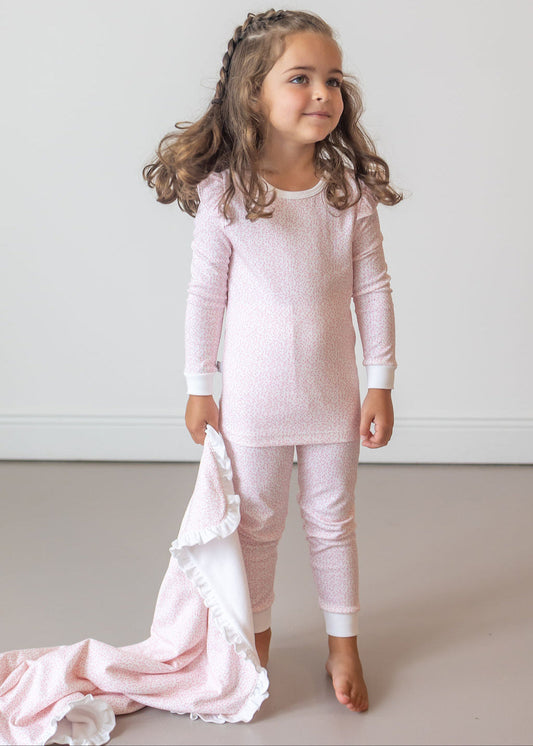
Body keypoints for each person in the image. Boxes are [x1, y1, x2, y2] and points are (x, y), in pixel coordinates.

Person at [143, 8, 403, 714]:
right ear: (253, 93)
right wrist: (200, 385)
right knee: (256, 528)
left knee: (333, 521)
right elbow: (206, 297)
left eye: (333, 80)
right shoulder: (227, 194)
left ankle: (343, 644)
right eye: (300, 78)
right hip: (255, 402)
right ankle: (253, 646)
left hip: (333, 397)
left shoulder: (347, 194)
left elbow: (373, 290)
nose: (323, 93)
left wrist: (379, 383)